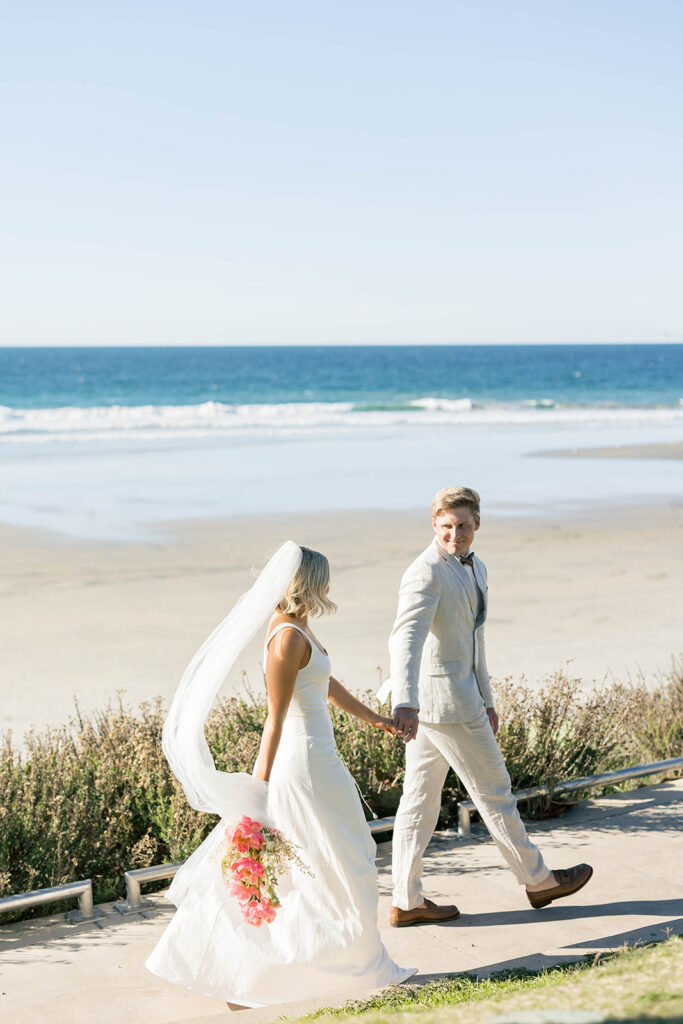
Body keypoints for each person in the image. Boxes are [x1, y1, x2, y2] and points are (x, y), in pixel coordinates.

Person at [146, 542, 415, 1006]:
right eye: (324, 578)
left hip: (320, 759)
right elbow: (275, 716)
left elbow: (324, 683)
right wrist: (259, 789)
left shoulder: (301, 628)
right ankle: (288, 972)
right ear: (308, 582)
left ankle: (328, 965)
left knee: (340, 860)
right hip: (303, 764)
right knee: (337, 860)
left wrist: (374, 718)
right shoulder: (286, 636)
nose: (330, 586)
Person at [384, 486, 593, 926]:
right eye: (445, 527)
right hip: (444, 706)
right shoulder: (425, 573)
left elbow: (476, 641)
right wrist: (405, 701)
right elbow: (405, 640)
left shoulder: (476, 567)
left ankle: (405, 901)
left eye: (462, 526)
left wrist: (489, 699)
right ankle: (538, 880)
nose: (454, 535)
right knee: (496, 793)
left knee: (418, 803)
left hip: (462, 700)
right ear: (433, 525)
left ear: (477, 523)